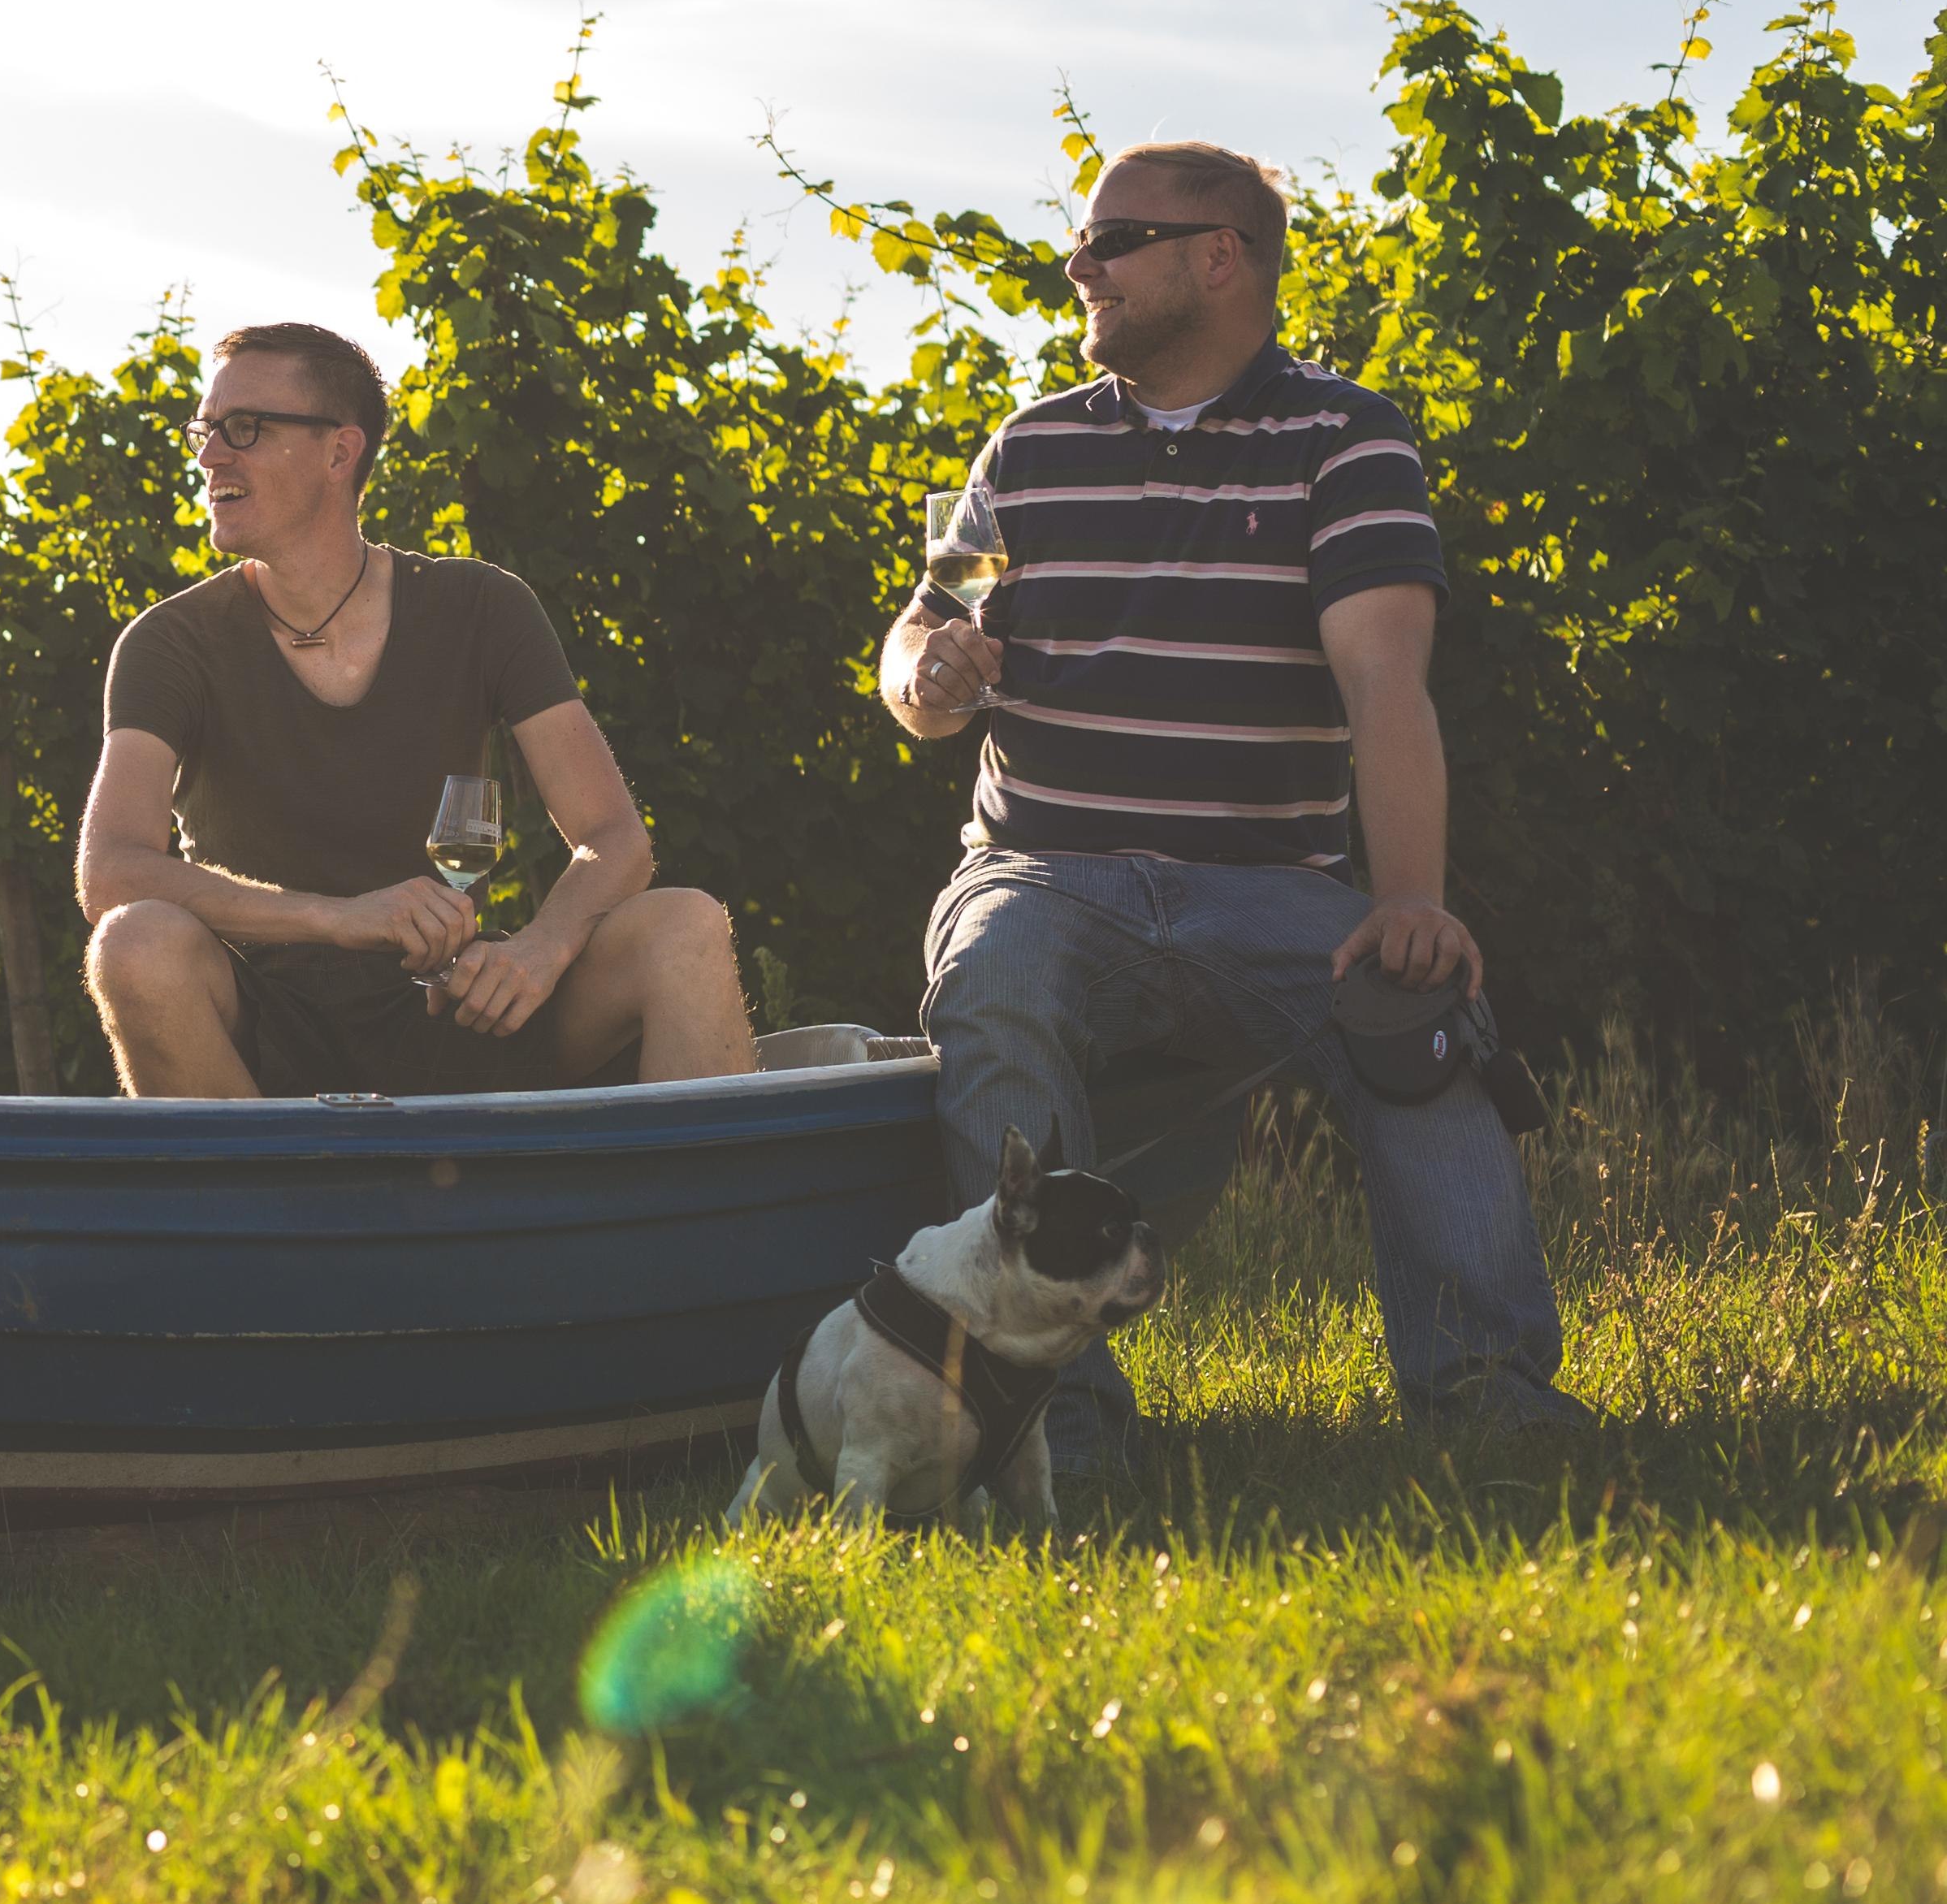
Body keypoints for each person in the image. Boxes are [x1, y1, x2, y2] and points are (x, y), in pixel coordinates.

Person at [881, 138, 1590, 1473]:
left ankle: (1489, 1400)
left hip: (1270, 889)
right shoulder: (1027, 449)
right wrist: (926, 670)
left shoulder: (1344, 435)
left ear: (1219, 257)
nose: (1079, 266)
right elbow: (919, 639)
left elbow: (1385, 683)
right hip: (1044, 872)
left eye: (1112, 241)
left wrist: (1413, 903)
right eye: (1081, 244)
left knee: (1423, 1017)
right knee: (992, 984)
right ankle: (1053, 1425)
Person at [79, 322, 758, 1098]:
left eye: (246, 428)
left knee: (685, 925)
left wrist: (542, 948)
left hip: (453, 1006)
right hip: (267, 1028)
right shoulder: (168, 642)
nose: (210, 456)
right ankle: (274, 1180)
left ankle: (705, 1183)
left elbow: (615, 839)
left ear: (341, 452)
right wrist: (340, 917)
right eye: (207, 430)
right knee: (133, 941)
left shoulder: (482, 606)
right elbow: (110, 872)